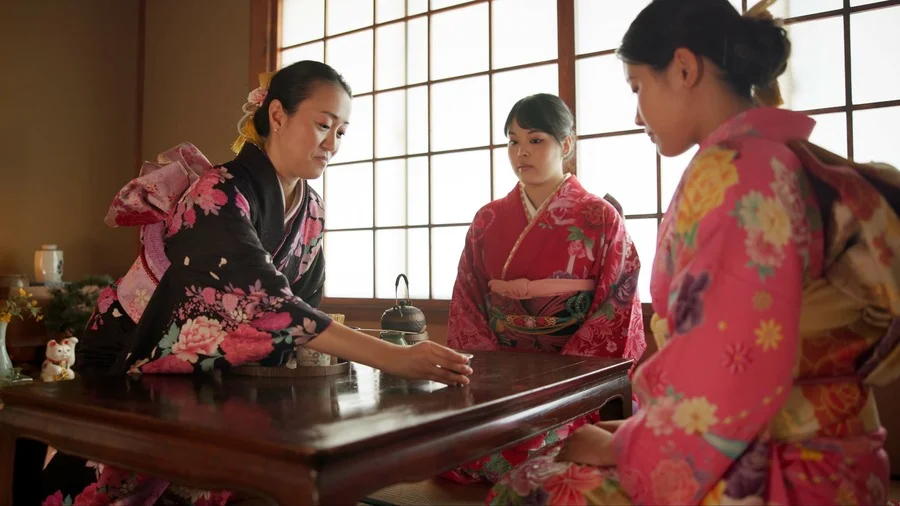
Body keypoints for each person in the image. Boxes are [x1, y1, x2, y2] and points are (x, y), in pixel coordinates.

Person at [487, 1, 900, 504]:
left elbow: (732, 368)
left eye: (638, 87)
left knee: (527, 489)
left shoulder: (738, 174)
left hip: (777, 462)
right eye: (512, 142)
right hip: (821, 444)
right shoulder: (782, 157)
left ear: (683, 68)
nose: (636, 113)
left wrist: (628, 445)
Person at [39, 60, 472, 505]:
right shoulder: (217, 192)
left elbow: (304, 303)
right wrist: (392, 358)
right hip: (137, 348)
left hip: (216, 368)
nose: (333, 144)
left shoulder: (312, 209)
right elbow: (269, 306)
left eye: (341, 133)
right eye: (324, 125)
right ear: (278, 115)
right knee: (111, 488)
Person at [444, 93, 646, 484]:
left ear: (565, 145)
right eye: (513, 141)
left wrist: (566, 381)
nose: (521, 152)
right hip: (501, 381)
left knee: (541, 454)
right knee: (455, 447)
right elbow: (467, 302)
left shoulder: (600, 217)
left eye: (536, 140)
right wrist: (494, 377)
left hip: (573, 387)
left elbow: (615, 306)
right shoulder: (487, 219)